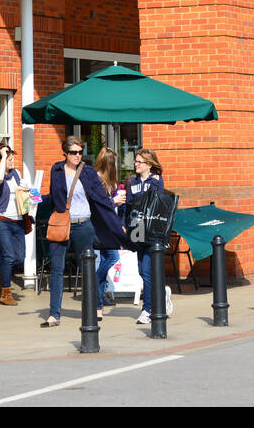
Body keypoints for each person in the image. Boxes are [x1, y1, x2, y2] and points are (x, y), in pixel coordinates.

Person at [43, 138, 126, 328]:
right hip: (61, 224)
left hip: (83, 226)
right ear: (64, 152)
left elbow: (99, 198)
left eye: (80, 152)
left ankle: (96, 307)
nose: (77, 156)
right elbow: (53, 196)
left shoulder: (87, 172)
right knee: (56, 269)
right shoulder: (56, 170)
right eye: (73, 152)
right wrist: (35, 198)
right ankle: (54, 314)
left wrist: (113, 208)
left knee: (86, 269)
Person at [127, 147, 172, 325]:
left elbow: (153, 198)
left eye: (140, 162)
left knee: (147, 271)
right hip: (137, 228)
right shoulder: (132, 182)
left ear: (149, 164)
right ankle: (162, 294)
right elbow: (131, 206)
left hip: (152, 229)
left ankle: (147, 309)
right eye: (136, 161)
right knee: (141, 270)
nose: (136, 164)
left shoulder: (156, 180)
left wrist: (152, 181)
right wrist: (126, 226)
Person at [0, 140, 27, 305]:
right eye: (7, 157)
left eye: (11, 157)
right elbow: (0, 178)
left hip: (17, 221)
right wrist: (3, 155)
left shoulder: (17, 174)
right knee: (8, 256)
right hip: (0, 220)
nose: (11, 160)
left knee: (19, 258)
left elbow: (24, 192)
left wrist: (29, 194)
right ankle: (5, 293)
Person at [92, 147, 126, 315]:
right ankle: (93, 286)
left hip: (109, 227)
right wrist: (114, 201)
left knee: (106, 262)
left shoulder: (109, 181)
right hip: (100, 228)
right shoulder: (97, 180)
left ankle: (98, 307)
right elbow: (98, 207)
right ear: (109, 164)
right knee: (112, 257)